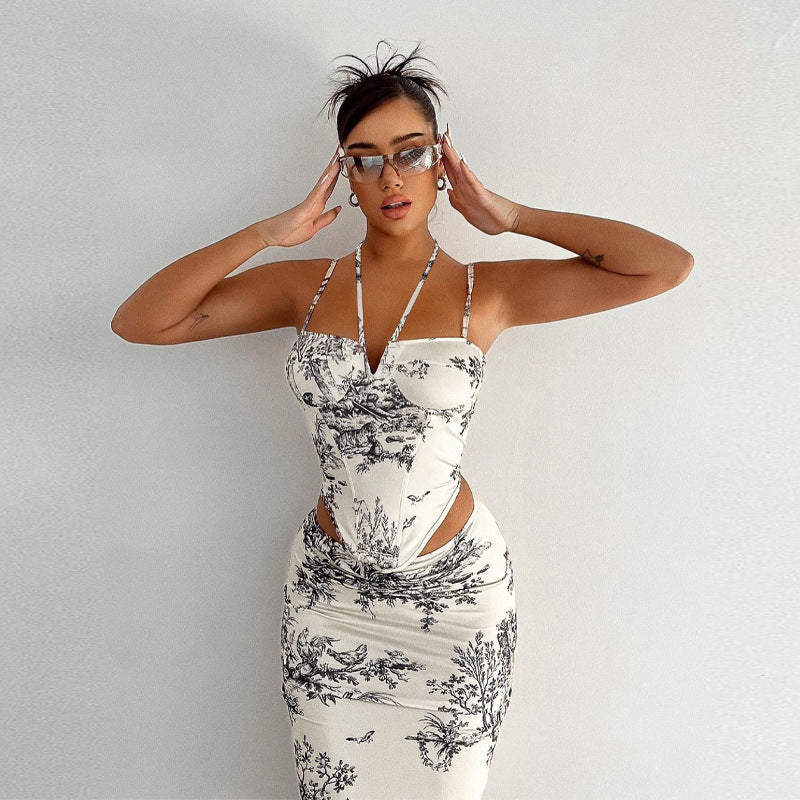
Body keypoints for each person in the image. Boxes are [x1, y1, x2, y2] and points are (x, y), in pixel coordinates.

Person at [111, 39, 694, 800]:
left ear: (440, 162)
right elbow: (142, 321)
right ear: (345, 175)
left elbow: (663, 265)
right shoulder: (303, 288)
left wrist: (510, 216)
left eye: (410, 153)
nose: (390, 177)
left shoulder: (487, 291)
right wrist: (267, 234)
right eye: (366, 159)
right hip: (331, 600)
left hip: (455, 601)